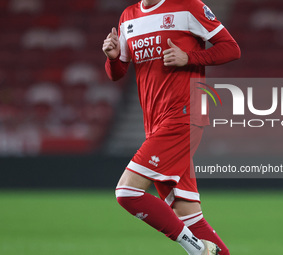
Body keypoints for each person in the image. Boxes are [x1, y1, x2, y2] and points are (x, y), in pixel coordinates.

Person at [102, 0, 240, 254]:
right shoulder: (128, 16)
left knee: (127, 191)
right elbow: (118, 73)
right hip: (155, 122)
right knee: (188, 215)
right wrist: (112, 58)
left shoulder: (189, 7)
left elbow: (231, 48)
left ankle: (196, 249)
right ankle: (203, 247)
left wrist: (189, 57)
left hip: (185, 114)